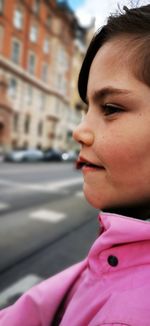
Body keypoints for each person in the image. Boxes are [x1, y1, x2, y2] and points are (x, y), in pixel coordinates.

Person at [0, 4, 150, 325]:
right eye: (85, 109)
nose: (79, 131)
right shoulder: (124, 247)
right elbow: (62, 294)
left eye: (110, 107)